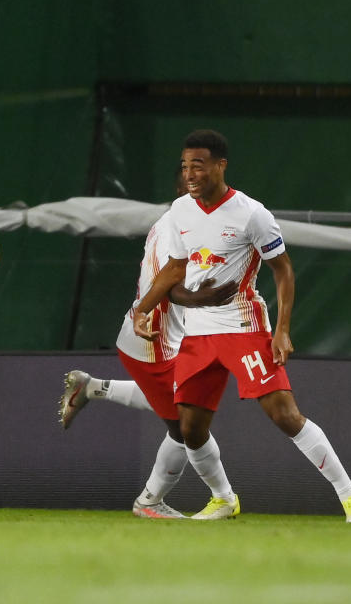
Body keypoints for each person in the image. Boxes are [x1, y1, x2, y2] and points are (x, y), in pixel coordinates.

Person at [132, 129, 351, 523]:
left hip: (244, 327)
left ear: (220, 165)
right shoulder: (180, 211)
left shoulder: (251, 213)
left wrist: (282, 329)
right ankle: (223, 498)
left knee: (284, 414)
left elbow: (284, 271)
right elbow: (175, 269)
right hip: (196, 333)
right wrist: (143, 310)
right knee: (189, 429)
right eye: (185, 166)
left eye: (199, 165)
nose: (190, 173)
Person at [60, 172, 240, 519]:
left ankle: (92, 387)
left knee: (175, 403)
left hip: (157, 338)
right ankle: (158, 501)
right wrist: (203, 298)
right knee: (185, 427)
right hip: (151, 342)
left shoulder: (177, 223)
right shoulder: (176, 231)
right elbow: (170, 284)